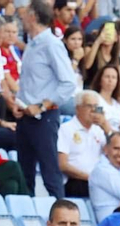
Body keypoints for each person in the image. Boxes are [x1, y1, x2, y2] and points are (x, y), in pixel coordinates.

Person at [14, 0, 76, 199]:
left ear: (33, 16)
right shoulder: (33, 43)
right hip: (26, 116)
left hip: (44, 118)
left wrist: (42, 105)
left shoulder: (51, 44)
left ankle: (61, 214)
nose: (21, 17)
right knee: (25, 174)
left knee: (50, 172)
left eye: (25, 14)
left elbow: (68, 82)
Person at [59, 90, 109, 198]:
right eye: (89, 106)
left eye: (96, 107)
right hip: (76, 181)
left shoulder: (99, 130)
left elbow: (112, 153)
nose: (93, 110)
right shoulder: (66, 129)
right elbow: (62, 164)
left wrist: (106, 127)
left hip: (98, 182)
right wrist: (89, 177)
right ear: (78, 108)